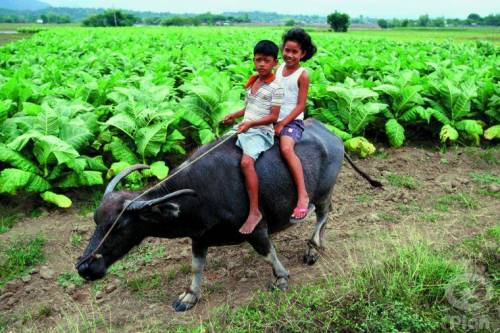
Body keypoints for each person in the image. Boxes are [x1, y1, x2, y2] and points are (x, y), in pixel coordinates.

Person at [222, 40, 284, 234]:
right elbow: (249, 108)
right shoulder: (253, 81)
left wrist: (250, 124)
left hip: (261, 131)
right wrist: (235, 115)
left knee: (246, 163)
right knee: (218, 147)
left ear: (275, 62)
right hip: (245, 126)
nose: (261, 64)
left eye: (266, 61)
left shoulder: (277, 87)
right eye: (258, 60)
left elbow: (273, 117)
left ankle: (255, 211)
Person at [274, 28, 317, 222]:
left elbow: (301, 104)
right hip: (272, 117)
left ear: (303, 54)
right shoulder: (278, 68)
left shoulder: (302, 74)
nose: (289, 55)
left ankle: (303, 195)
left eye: (295, 52)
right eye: (287, 50)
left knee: (285, 148)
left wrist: (283, 122)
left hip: (292, 121)